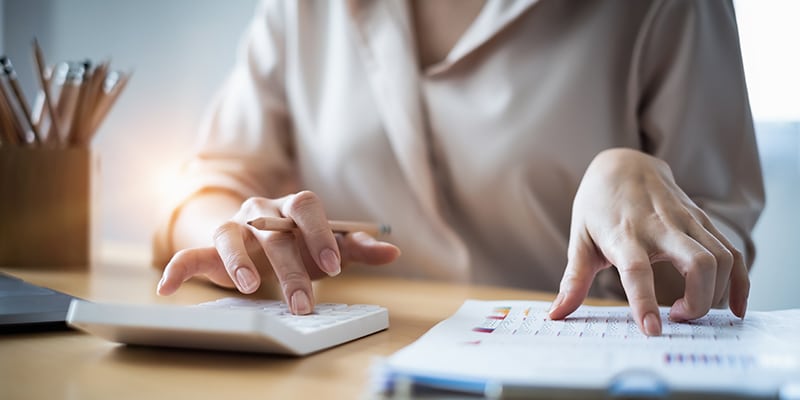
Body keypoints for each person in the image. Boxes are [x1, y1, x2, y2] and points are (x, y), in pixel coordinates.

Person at [153, 0, 764, 337]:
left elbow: (717, 254)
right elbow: (208, 186)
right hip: (342, 364)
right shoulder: (300, 11)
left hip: (572, 367)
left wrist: (630, 180)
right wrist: (237, 242)